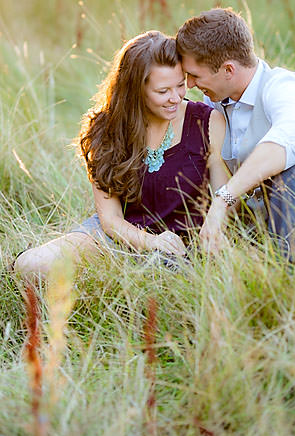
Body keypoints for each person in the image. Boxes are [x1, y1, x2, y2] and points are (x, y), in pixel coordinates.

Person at [12, 31, 230, 279]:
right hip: (120, 236)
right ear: (136, 89)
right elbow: (110, 219)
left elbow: (222, 200)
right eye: (162, 91)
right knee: (31, 266)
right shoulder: (105, 128)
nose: (175, 97)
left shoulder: (208, 122)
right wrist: (152, 242)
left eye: (180, 85)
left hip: (183, 245)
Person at [175, 7, 295, 272]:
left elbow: (283, 143)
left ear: (228, 69)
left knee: (285, 168)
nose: (191, 84)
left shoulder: (285, 88)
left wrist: (222, 200)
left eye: (195, 75)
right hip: (258, 229)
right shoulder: (214, 104)